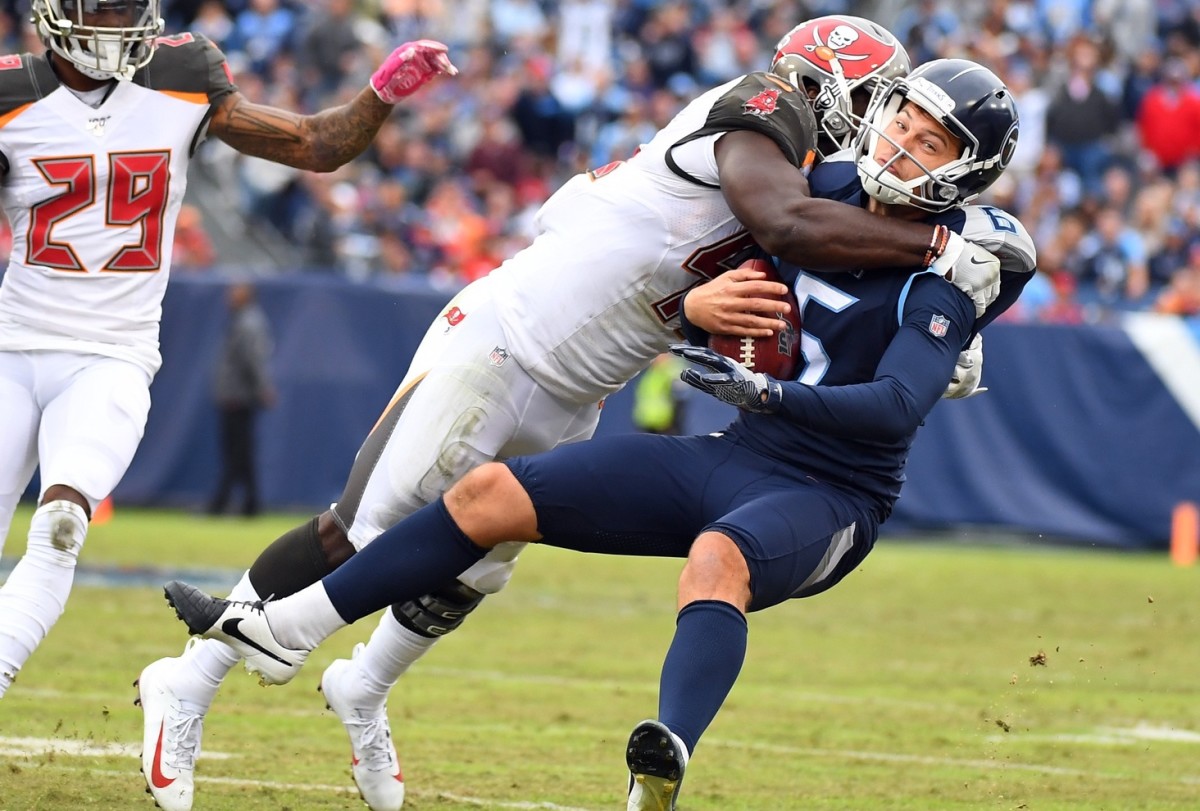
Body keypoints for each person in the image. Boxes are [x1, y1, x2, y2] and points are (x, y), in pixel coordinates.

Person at [138, 16, 1003, 811]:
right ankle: (194, 678)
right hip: (511, 337)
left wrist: (966, 294)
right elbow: (790, 223)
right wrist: (948, 247)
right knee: (363, 529)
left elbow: (797, 260)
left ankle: (363, 687)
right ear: (838, 96)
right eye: (879, 110)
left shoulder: (828, 185)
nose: (881, 135)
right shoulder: (764, 111)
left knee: (474, 563)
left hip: (584, 376)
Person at [0, 0, 455, 704]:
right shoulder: (10, 94)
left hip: (113, 355)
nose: (121, 26)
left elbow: (313, 144)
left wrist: (379, 95)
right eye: (105, 10)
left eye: (130, 10)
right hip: (12, 344)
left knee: (61, 525)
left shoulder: (181, 75)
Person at [208, 281, 275, 517]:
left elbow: (252, 360)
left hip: (239, 396)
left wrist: (261, 388)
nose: (229, 296)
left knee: (236, 453)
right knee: (241, 454)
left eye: (234, 291)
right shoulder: (244, 320)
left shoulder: (249, 323)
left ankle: (220, 504)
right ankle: (251, 504)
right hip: (236, 395)